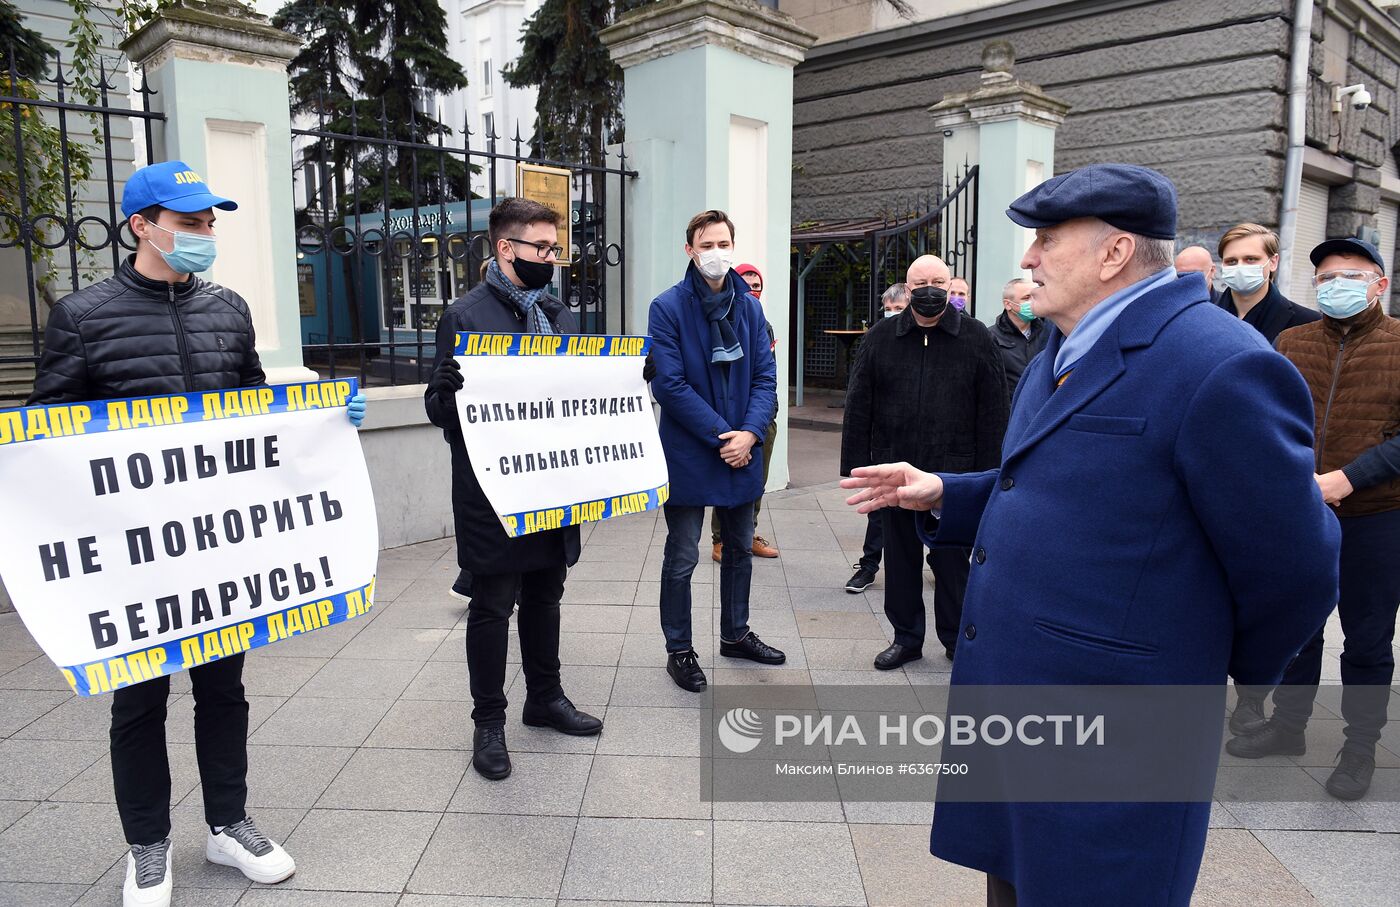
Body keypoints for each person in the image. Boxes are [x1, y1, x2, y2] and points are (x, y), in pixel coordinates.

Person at [840, 163, 1339, 905]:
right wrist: (948, 491)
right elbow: (1049, 482)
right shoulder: (1061, 348)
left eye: (1046, 238)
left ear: (1113, 253)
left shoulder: (1219, 363)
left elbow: (1298, 564)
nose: (1029, 257)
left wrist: (1189, 673)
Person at [26, 161, 365, 907]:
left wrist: (323, 420)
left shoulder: (229, 309)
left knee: (225, 688)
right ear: (143, 225)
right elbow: (46, 440)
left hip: (218, 552)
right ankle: (147, 844)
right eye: (190, 220)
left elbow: (252, 410)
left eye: (211, 220)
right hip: (132, 560)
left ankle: (228, 822)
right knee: (139, 703)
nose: (205, 232)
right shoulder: (83, 316)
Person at [424, 197, 603, 781]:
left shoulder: (558, 314)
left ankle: (544, 698)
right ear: (506, 249)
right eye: (541, 248)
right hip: (492, 495)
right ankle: (489, 723)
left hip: (553, 485)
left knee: (546, 593)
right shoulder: (466, 317)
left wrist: (621, 386)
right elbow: (441, 414)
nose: (551, 258)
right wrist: (445, 393)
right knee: (493, 603)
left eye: (555, 248)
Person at [1225, 237, 1399, 801]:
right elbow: (1266, 417)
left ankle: (1359, 748)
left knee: (1367, 638)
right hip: (1301, 511)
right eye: (1324, 278)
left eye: (1349, 275)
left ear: (1380, 284)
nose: (1335, 286)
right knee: (1299, 627)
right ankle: (1289, 727)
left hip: (1376, 516)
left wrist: (1347, 478)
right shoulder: (1292, 342)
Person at [840, 256, 1008, 668]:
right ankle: (906, 638)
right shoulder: (881, 337)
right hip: (895, 472)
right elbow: (859, 403)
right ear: (907, 286)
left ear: (950, 286)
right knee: (899, 560)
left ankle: (955, 638)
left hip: (955, 474)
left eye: (938, 281)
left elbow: (994, 410)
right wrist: (857, 467)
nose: (930, 289)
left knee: (952, 562)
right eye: (921, 282)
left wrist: (991, 475)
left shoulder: (976, 338)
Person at [649, 210, 784, 693]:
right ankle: (679, 649)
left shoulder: (749, 307)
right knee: (682, 556)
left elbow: (766, 377)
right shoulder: (667, 307)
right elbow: (669, 384)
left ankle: (735, 633)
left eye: (724, 242)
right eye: (707, 244)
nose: (716, 252)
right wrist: (725, 435)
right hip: (692, 450)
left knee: (740, 549)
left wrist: (750, 433)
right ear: (690, 250)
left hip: (743, 449)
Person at [711, 262, 780, 562]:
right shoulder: (724, 318)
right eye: (747, 283)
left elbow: (767, 375)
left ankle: (747, 533)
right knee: (725, 481)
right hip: (732, 420)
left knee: (756, 482)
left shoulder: (764, 325)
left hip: (763, 417)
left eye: (757, 285)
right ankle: (719, 540)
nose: (752, 290)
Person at [845, 282, 910, 593]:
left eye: (900, 308)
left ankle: (941, 563)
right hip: (886, 440)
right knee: (879, 509)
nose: (893, 314)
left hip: (924, 442)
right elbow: (860, 396)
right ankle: (869, 565)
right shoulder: (875, 341)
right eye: (890, 308)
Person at [1216, 223, 1319, 342]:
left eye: (1250, 259)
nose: (1240, 267)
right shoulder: (1203, 316)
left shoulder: (1308, 323)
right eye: (1231, 261)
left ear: (1273, 262)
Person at [990, 278, 1046, 401]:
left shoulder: (1048, 332)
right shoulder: (991, 337)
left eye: (1034, 297)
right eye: (1026, 298)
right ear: (1008, 304)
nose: (1032, 302)